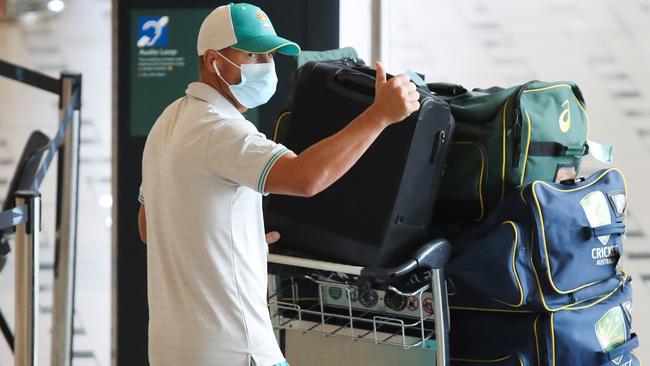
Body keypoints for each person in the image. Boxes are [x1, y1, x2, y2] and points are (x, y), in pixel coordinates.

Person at [137, 3, 419, 365]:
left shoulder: (169, 121)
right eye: (251, 54)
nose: (264, 66)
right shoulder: (220, 130)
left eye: (268, 55)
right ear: (213, 61)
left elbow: (150, 227)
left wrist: (239, 242)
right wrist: (379, 116)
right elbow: (306, 178)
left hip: (171, 350)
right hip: (236, 349)